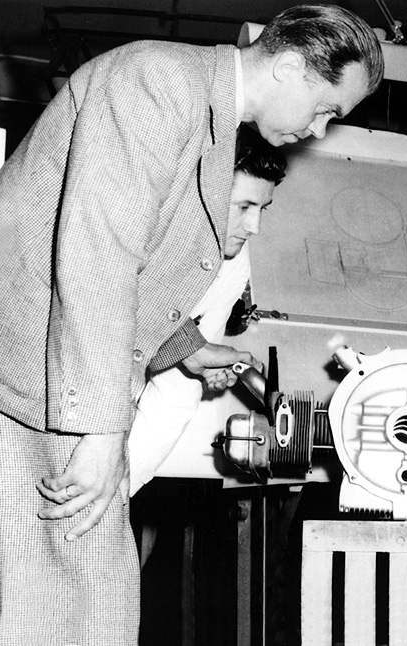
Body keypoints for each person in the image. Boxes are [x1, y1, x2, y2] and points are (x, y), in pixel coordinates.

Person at [0, 4, 383, 644]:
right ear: (287, 66)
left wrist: (186, 347)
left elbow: (140, 269)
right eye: (328, 108)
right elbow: (98, 255)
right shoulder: (155, 83)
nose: (321, 129)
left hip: (40, 370)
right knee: (48, 604)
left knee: (92, 602)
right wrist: (104, 431)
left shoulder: (207, 120)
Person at [129, 124, 285, 496]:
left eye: (262, 208)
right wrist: (194, 349)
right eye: (243, 207)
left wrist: (124, 480)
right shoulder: (140, 220)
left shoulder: (234, 264)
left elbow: (178, 390)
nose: (255, 226)